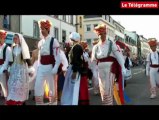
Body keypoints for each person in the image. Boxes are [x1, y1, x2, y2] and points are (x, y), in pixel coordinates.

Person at [91, 24, 126, 105]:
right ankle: (105, 103)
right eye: (100, 34)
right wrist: (94, 73)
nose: (102, 36)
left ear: (106, 34)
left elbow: (118, 56)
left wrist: (123, 67)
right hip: (100, 69)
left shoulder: (111, 43)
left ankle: (109, 104)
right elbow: (93, 61)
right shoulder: (95, 47)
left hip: (110, 68)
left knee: (108, 89)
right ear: (98, 35)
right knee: (102, 90)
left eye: (103, 34)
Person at [34, 19, 61, 105]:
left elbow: (58, 56)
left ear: (47, 30)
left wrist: (56, 67)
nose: (41, 31)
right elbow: (39, 57)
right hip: (41, 67)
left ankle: (53, 103)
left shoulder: (54, 41)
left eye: (43, 29)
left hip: (50, 67)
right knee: (38, 86)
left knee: (51, 87)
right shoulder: (40, 42)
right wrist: (38, 67)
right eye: (41, 29)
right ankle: (39, 103)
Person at [61, 32, 89, 105]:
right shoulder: (76, 47)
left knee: (72, 88)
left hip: (74, 69)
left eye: (70, 39)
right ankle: (71, 101)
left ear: (72, 39)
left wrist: (75, 71)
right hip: (72, 68)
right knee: (71, 87)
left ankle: (72, 102)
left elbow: (77, 60)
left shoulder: (76, 47)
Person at [6, 33, 35, 105]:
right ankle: (13, 100)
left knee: (19, 85)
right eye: (14, 38)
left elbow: (28, 59)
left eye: (16, 38)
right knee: (12, 85)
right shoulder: (13, 47)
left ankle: (20, 101)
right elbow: (11, 60)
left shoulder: (23, 48)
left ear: (20, 39)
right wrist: (9, 68)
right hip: (14, 69)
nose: (14, 40)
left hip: (21, 70)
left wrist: (30, 69)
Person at [0, 30, 12, 101]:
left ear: (4, 38)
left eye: (1, 37)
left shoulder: (7, 48)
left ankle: (7, 98)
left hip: (3, 67)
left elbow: (7, 61)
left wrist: (2, 69)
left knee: (4, 85)